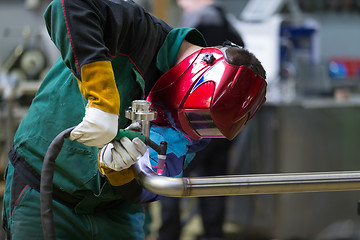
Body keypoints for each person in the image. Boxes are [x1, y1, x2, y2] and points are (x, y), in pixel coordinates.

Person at [1, 0, 266, 240]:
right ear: (199, 71)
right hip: (43, 191)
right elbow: (69, 6)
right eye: (196, 121)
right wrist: (102, 101)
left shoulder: (201, 123)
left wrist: (121, 173)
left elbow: (154, 185)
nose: (189, 133)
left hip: (117, 213)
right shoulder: (138, 30)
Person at [158, 1, 246, 240]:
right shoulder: (230, 26)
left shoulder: (201, 26)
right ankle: (213, 234)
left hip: (195, 121)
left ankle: (169, 234)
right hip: (225, 123)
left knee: (171, 177)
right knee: (214, 182)